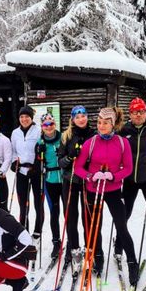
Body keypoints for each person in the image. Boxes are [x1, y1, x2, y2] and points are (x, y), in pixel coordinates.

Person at [74, 107, 139, 284]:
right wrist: (90, 175)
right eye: (99, 122)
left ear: (113, 124)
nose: (101, 126)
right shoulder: (91, 142)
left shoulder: (122, 142)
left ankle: (132, 262)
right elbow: (78, 167)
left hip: (113, 190)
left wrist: (113, 176)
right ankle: (98, 257)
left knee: (121, 226)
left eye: (105, 123)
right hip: (93, 189)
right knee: (95, 226)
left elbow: (128, 168)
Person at [115, 97, 146, 258]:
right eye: (134, 112)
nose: (138, 115)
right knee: (123, 214)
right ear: (130, 114)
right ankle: (118, 246)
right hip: (129, 180)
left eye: (141, 111)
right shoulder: (124, 130)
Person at [57, 105, 95, 270]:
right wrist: (70, 157)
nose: (81, 119)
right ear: (72, 119)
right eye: (77, 116)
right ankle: (74, 250)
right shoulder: (67, 136)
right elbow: (60, 161)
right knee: (71, 217)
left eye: (83, 116)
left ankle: (90, 250)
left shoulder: (94, 135)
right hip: (70, 180)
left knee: (88, 217)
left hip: (88, 181)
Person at [10, 106, 43, 238]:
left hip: (36, 171)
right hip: (21, 171)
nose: (24, 119)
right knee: (23, 204)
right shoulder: (15, 133)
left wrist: (36, 166)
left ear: (31, 117)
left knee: (37, 202)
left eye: (27, 117)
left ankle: (38, 229)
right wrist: (13, 163)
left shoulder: (38, 131)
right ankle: (24, 228)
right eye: (21, 117)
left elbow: (41, 150)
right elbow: (13, 150)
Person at [36, 113, 63, 258]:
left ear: (55, 125)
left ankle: (71, 241)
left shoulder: (63, 139)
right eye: (46, 125)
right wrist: (39, 154)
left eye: (51, 124)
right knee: (54, 212)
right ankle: (56, 242)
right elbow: (38, 162)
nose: (49, 127)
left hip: (64, 180)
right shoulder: (40, 143)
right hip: (50, 180)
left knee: (69, 213)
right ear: (42, 127)